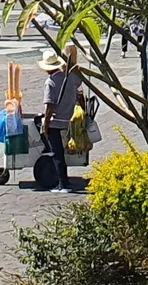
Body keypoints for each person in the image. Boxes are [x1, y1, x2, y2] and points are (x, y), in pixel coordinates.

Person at [39, 52, 85, 191]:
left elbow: (49, 106)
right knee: (59, 153)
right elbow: (80, 84)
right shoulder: (70, 78)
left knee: (57, 154)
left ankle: (62, 184)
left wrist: (45, 125)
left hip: (56, 122)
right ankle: (63, 181)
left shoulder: (50, 82)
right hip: (69, 119)